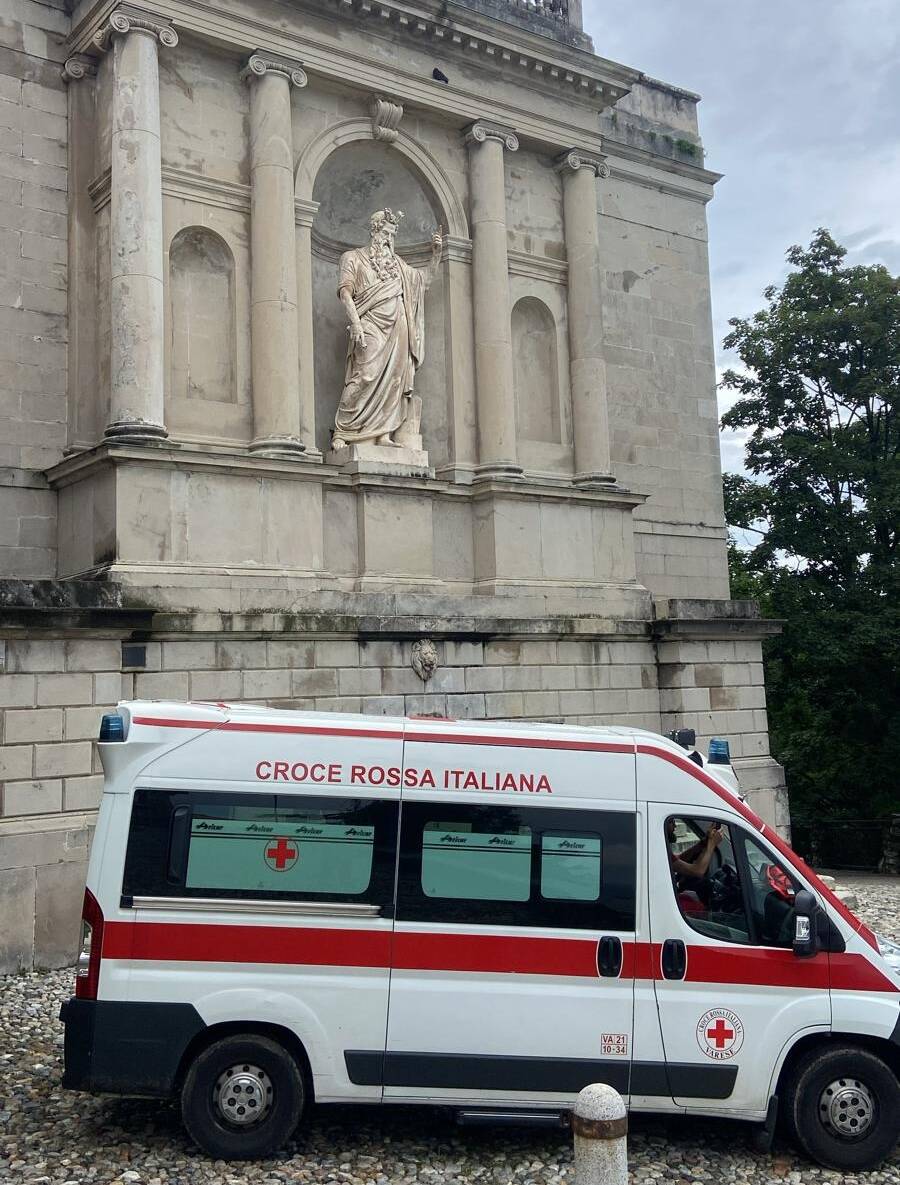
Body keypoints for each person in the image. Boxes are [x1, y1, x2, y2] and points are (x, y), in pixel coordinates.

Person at [332, 208, 443, 450]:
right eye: (386, 233)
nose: (389, 239)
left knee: (394, 380)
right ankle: (343, 430)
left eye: (393, 235)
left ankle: (383, 434)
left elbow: (423, 282)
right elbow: (345, 293)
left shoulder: (399, 266)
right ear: (375, 231)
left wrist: (435, 256)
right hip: (370, 324)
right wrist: (357, 323)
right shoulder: (353, 258)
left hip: (399, 326)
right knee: (365, 375)